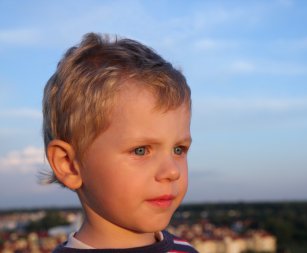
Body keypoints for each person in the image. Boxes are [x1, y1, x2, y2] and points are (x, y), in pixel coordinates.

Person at [42, 32, 198, 253]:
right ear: (68, 164)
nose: (172, 172)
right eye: (141, 150)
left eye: (178, 149)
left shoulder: (184, 250)